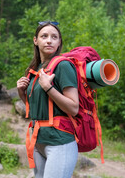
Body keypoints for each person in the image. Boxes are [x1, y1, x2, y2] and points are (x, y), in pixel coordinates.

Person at [16, 21, 79, 178]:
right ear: (35, 40)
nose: (49, 40)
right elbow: (36, 108)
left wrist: (48, 88)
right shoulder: (37, 69)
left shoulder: (63, 66)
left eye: (54, 37)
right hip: (38, 142)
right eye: (44, 36)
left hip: (60, 142)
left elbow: (73, 108)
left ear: (59, 43)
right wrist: (21, 92)